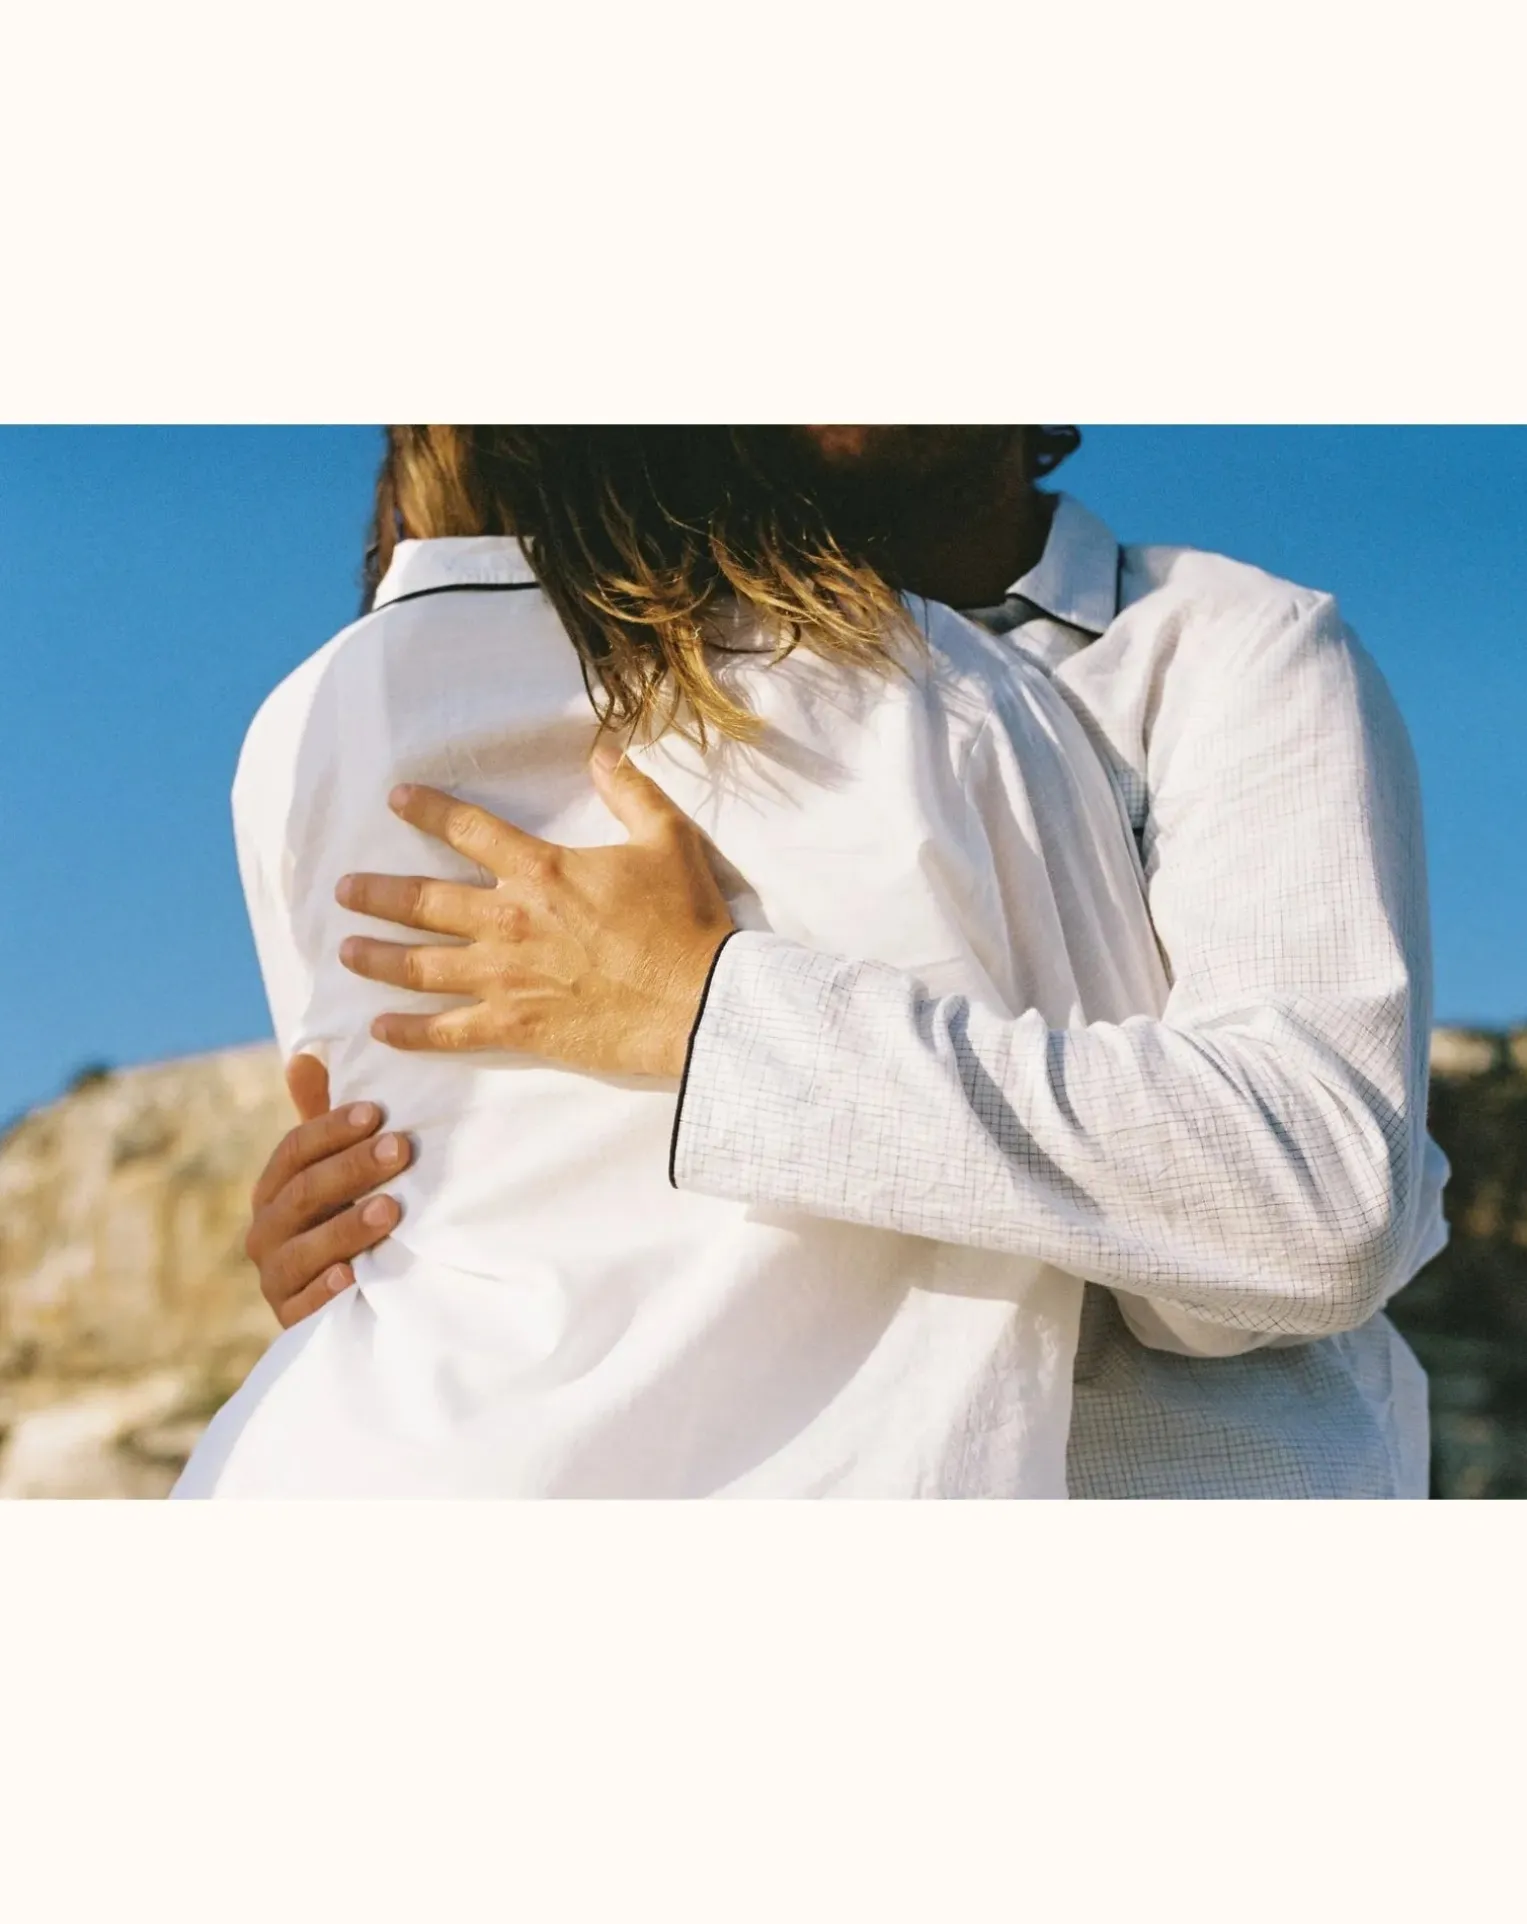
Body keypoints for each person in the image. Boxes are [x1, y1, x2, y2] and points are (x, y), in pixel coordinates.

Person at [245, 425, 1446, 1499]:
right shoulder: (500, 691)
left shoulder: (1223, 646)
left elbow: (1314, 1202)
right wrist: (369, 1236)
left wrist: (706, 1016)